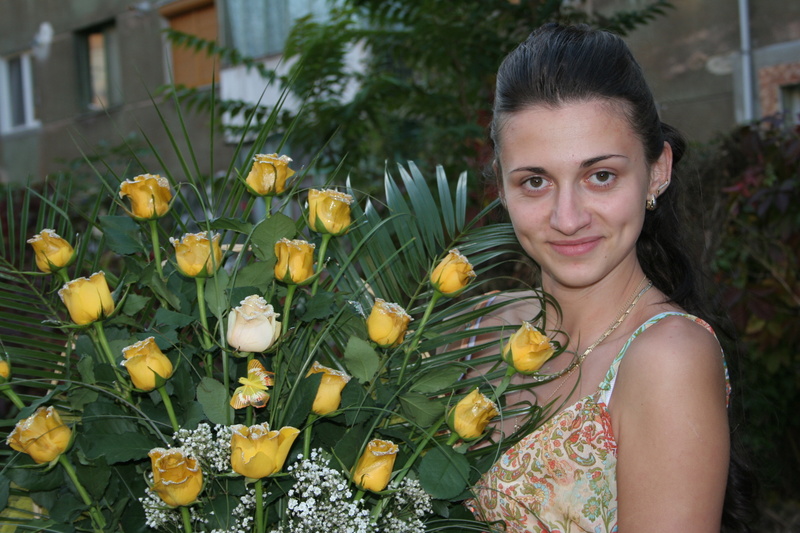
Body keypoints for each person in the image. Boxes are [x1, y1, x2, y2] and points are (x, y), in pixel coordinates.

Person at [467, 23, 753, 533]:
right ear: (502, 189)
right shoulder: (478, 327)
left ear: (657, 171)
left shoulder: (668, 359)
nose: (568, 218)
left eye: (601, 176)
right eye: (535, 181)